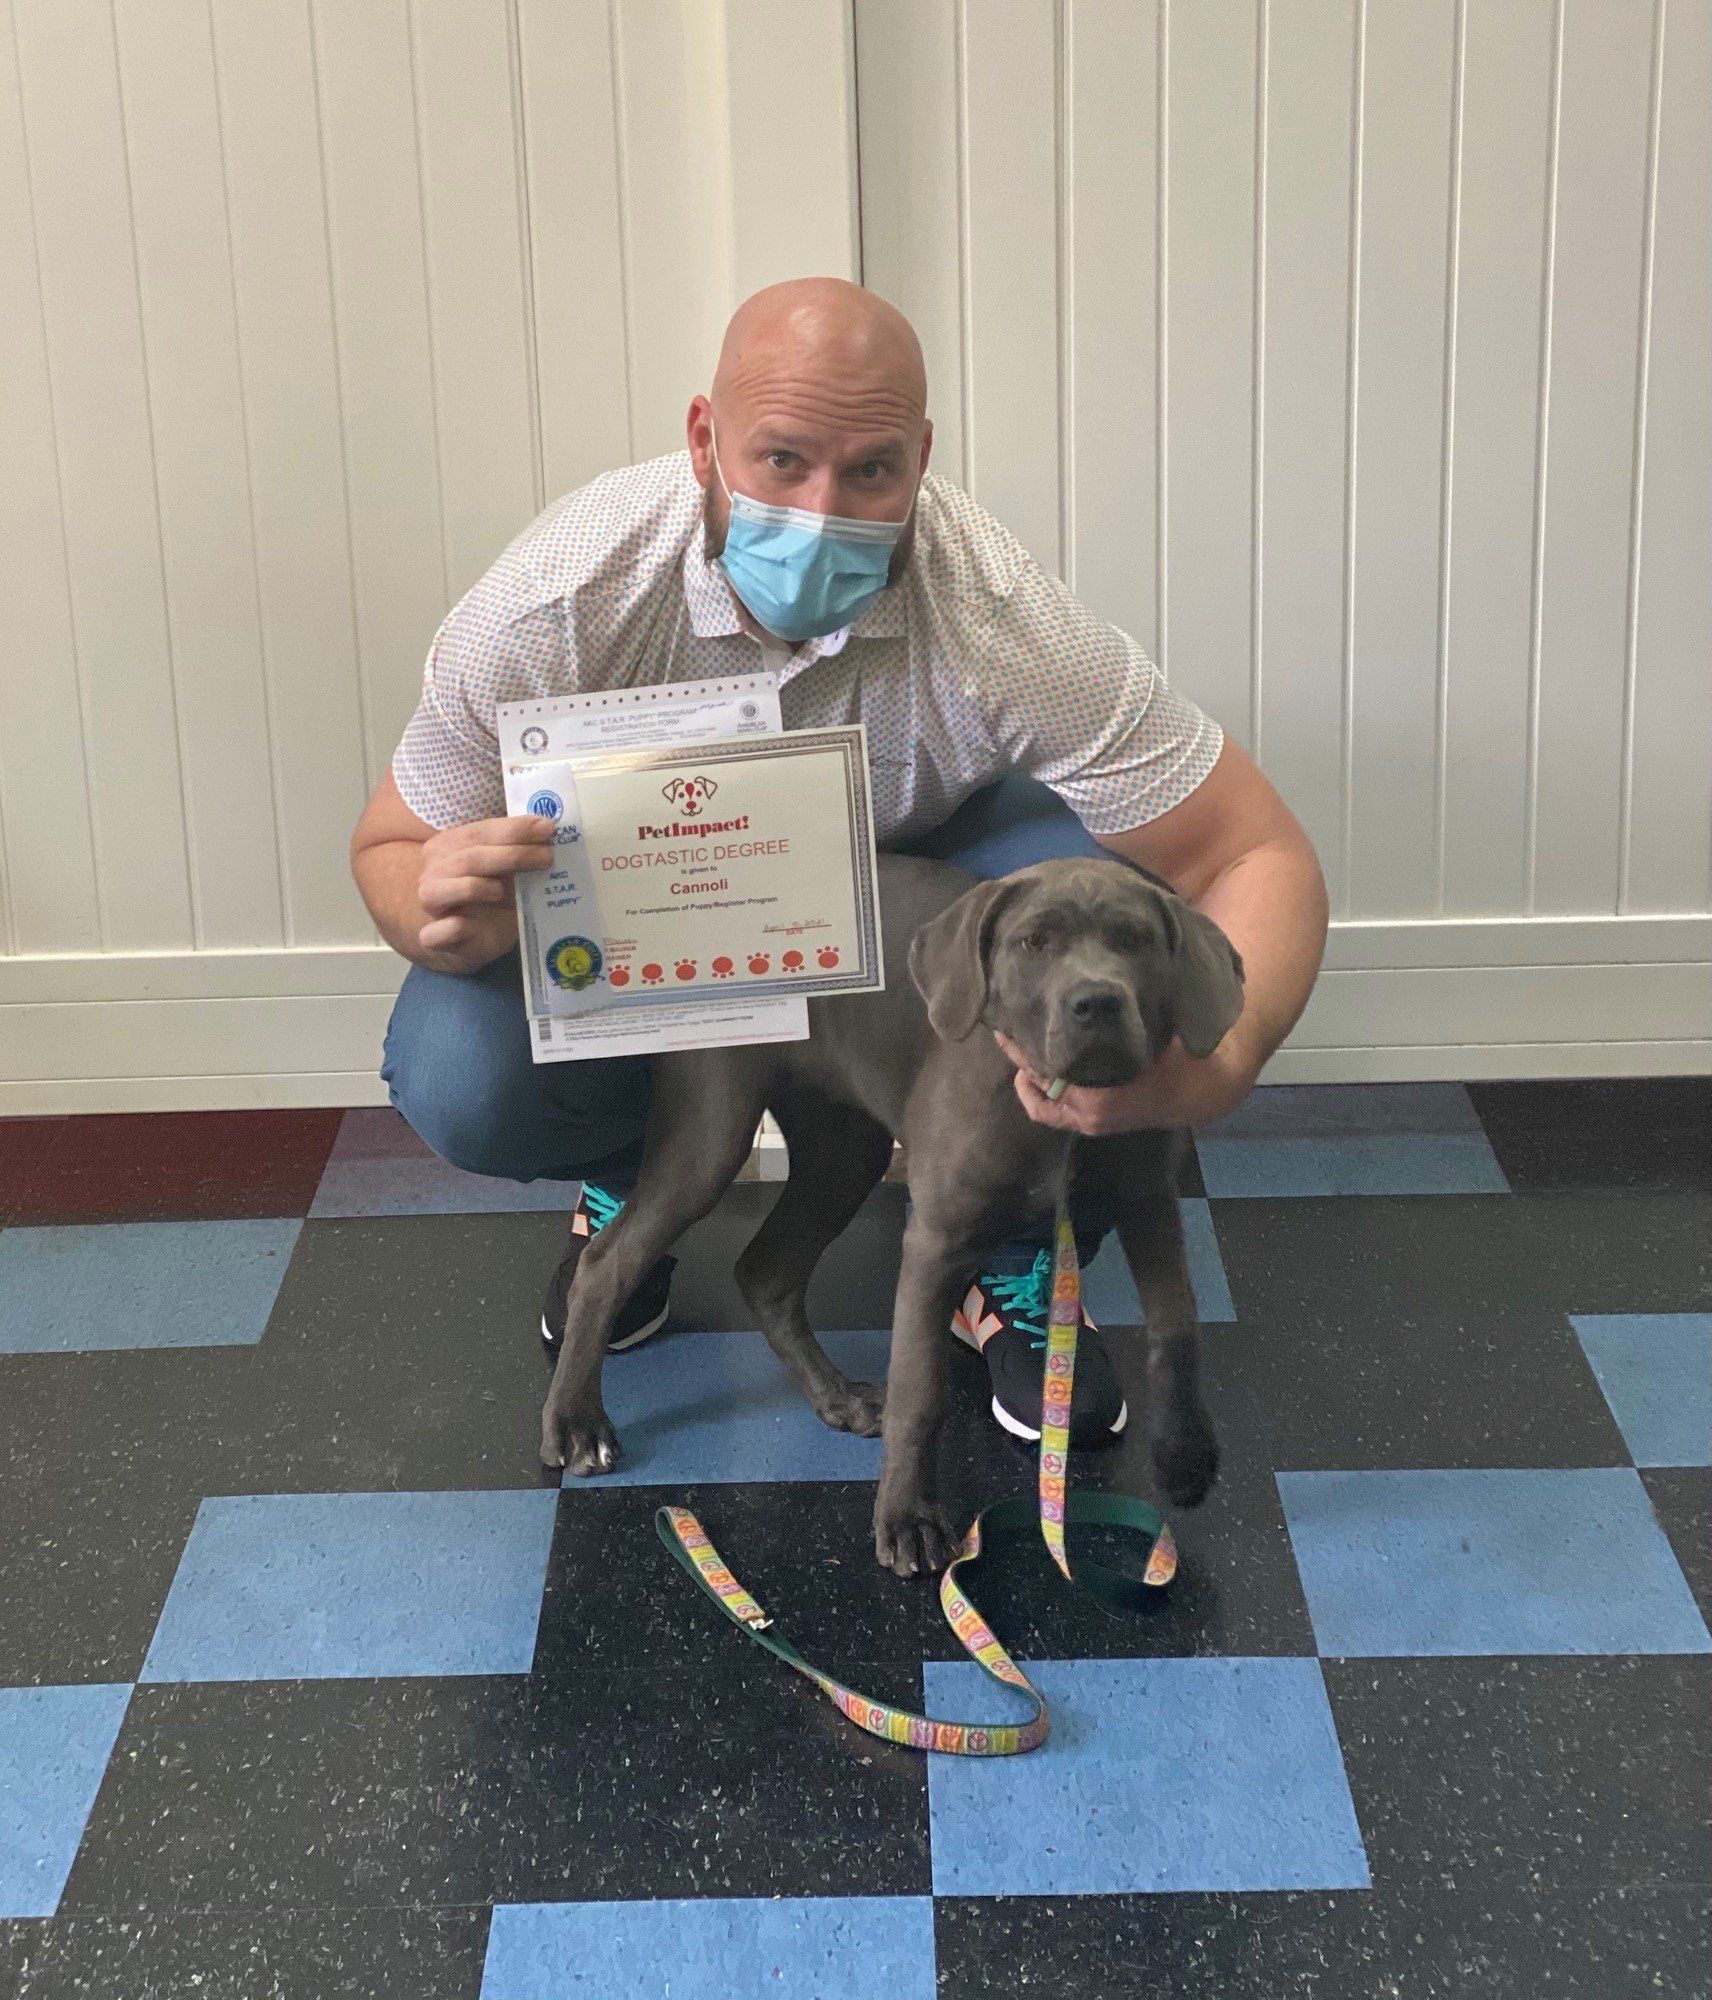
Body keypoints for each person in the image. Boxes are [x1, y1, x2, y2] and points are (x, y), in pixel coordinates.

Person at [350, 277, 1327, 1447]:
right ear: (703, 438)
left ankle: (1001, 1254)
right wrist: (425, 901)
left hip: (923, 857)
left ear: (921, 457)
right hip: (668, 919)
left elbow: (1253, 850)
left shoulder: (1001, 620)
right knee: (464, 1066)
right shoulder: (552, 606)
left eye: (869, 471)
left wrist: (1216, 1071)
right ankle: (635, 1177)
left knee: (1096, 903)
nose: (822, 511)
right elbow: (388, 844)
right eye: (780, 460)